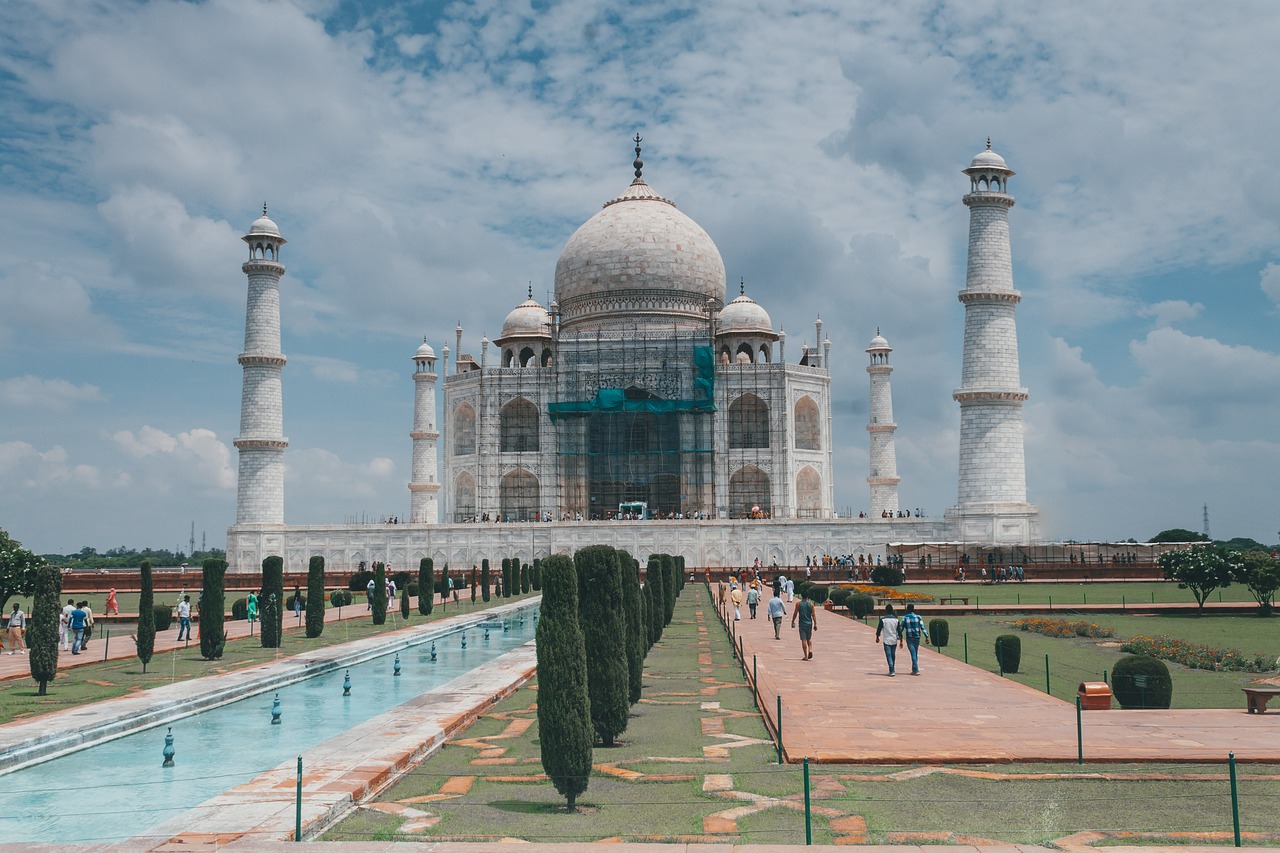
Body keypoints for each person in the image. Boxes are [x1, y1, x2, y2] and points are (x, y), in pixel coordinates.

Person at [899, 603, 929, 675]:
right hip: (917, 637)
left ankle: (916, 669)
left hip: (910, 638)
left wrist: (898, 637)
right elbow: (922, 627)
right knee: (915, 653)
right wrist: (926, 636)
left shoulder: (905, 618)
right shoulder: (918, 617)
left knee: (913, 654)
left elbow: (901, 628)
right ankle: (914, 668)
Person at [874, 604, 903, 676]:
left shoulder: (883, 620)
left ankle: (891, 669)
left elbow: (879, 629)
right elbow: (899, 631)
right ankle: (892, 668)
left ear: (886, 611)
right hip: (894, 639)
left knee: (888, 655)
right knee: (893, 655)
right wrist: (901, 641)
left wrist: (877, 637)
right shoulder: (896, 620)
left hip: (886, 639)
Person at [790, 590, 816, 660]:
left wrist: (792, 621)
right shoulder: (811, 604)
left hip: (802, 624)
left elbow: (795, 613)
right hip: (809, 623)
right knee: (809, 638)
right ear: (808, 596)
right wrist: (815, 624)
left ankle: (806, 656)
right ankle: (810, 650)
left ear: (801, 595)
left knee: (803, 640)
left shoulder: (798, 604)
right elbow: (813, 615)